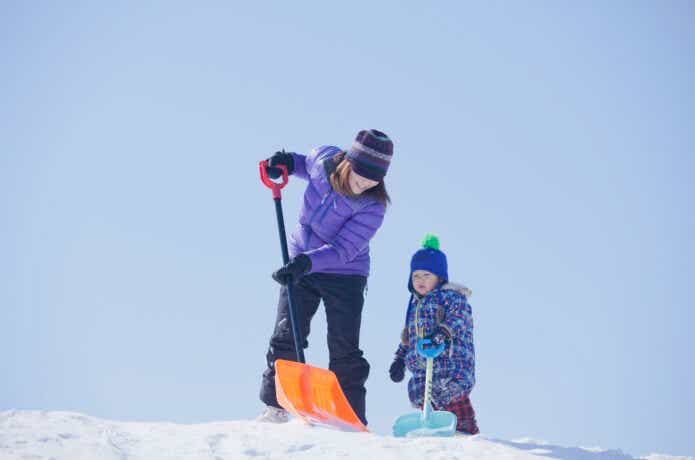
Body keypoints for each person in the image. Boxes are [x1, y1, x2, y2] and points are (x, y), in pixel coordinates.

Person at [257, 129, 394, 426]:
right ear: (348, 162)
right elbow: (303, 163)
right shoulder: (323, 162)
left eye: (374, 179)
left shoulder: (373, 206)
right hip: (301, 263)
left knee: (344, 347)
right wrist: (285, 163)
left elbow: (343, 249)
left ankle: (351, 419)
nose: (365, 183)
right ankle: (277, 406)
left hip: (345, 274)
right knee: (287, 332)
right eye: (361, 174)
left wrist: (306, 263)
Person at [388, 234, 480, 435]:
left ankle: (465, 431)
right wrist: (399, 358)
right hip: (424, 371)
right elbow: (409, 336)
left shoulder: (450, 297)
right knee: (425, 401)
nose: (420, 280)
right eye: (416, 276)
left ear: (439, 277)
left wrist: (441, 333)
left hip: (450, 365)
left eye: (426, 275)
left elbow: (459, 318)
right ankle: (432, 435)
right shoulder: (415, 306)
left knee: (452, 399)